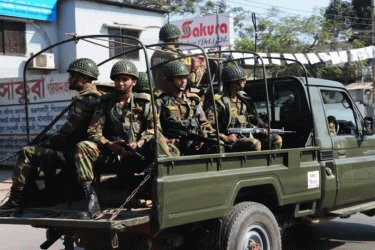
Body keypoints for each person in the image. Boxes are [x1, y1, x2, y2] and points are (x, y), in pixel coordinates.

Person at [74, 60, 178, 219]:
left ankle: (164, 196)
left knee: (160, 141)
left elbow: (154, 129)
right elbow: (93, 131)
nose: (120, 83)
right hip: (113, 154)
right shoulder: (105, 103)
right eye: (117, 79)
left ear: (134, 82)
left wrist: (139, 143)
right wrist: (109, 144)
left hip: (140, 155)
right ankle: (91, 202)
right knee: (83, 146)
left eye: (125, 79)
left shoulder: (144, 103)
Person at [0, 58, 102, 212]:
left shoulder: (84, 101)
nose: (69, 78)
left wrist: (45, 143)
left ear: (85, 78)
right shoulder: (96, 97)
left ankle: (15, 202)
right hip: (82, 152)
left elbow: (67, 134)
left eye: (73, 75)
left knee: (27, 152)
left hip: (74, 154)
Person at [206, 64, 283, 152]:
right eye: (242, 80)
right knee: (255, 143)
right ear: (234, 83)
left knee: (277, 139)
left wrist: (260, 130)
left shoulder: (243, 99)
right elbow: (207, 127)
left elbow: (248, 122)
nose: (245, 82)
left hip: (245, 136)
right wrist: (225, 137)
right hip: (229, 141)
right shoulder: (219, 101)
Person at [157, 60, 214, 155]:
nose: (183, 80)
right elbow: (155, 128)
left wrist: (202, 137)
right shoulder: (160, 102)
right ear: (170, 80)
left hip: (193, 142)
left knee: (216, 146)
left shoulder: (193, 100)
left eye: (185, 77)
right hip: (173, 144)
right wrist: (167, 140)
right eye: (179, 78)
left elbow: (204, 123)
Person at [151, 23, 206, 93]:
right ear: (174, 40)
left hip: (158, 94)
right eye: (179, 38)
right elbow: (191, 80)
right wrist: (203, 65)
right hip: (172, 96)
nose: (180, 40)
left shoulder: (155, 55)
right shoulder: (175, 56)